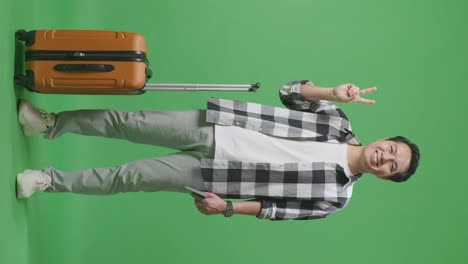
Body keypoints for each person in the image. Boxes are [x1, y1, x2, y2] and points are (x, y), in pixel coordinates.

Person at [16, 80, 420, 220]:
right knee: (130, 121)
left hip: (218, 177)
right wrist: (331, 92)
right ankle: (50, 123)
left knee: (129, 177)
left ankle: (48, 181)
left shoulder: (337, 198)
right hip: (219, 127)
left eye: (391, 166)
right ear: (384, 140)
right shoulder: (338, 120)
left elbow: (275, 209)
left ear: (386, 177)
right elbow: (290, 92)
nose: (385, 158)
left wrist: (227, 207)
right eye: (390, 149)